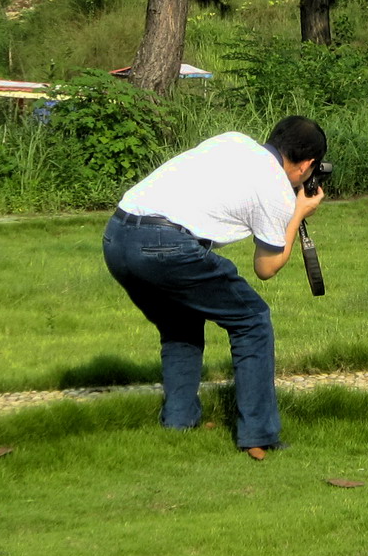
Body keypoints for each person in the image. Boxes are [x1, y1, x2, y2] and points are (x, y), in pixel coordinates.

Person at [102, 116, 327, 460]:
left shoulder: (233, 140)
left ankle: (179, 422)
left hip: (116, 236)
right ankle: (259, 434)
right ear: (308, 164)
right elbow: (266, 268)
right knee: (252, 319)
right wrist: (298, 211)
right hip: (166, 245)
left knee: (180, 323)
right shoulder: (278, 190)